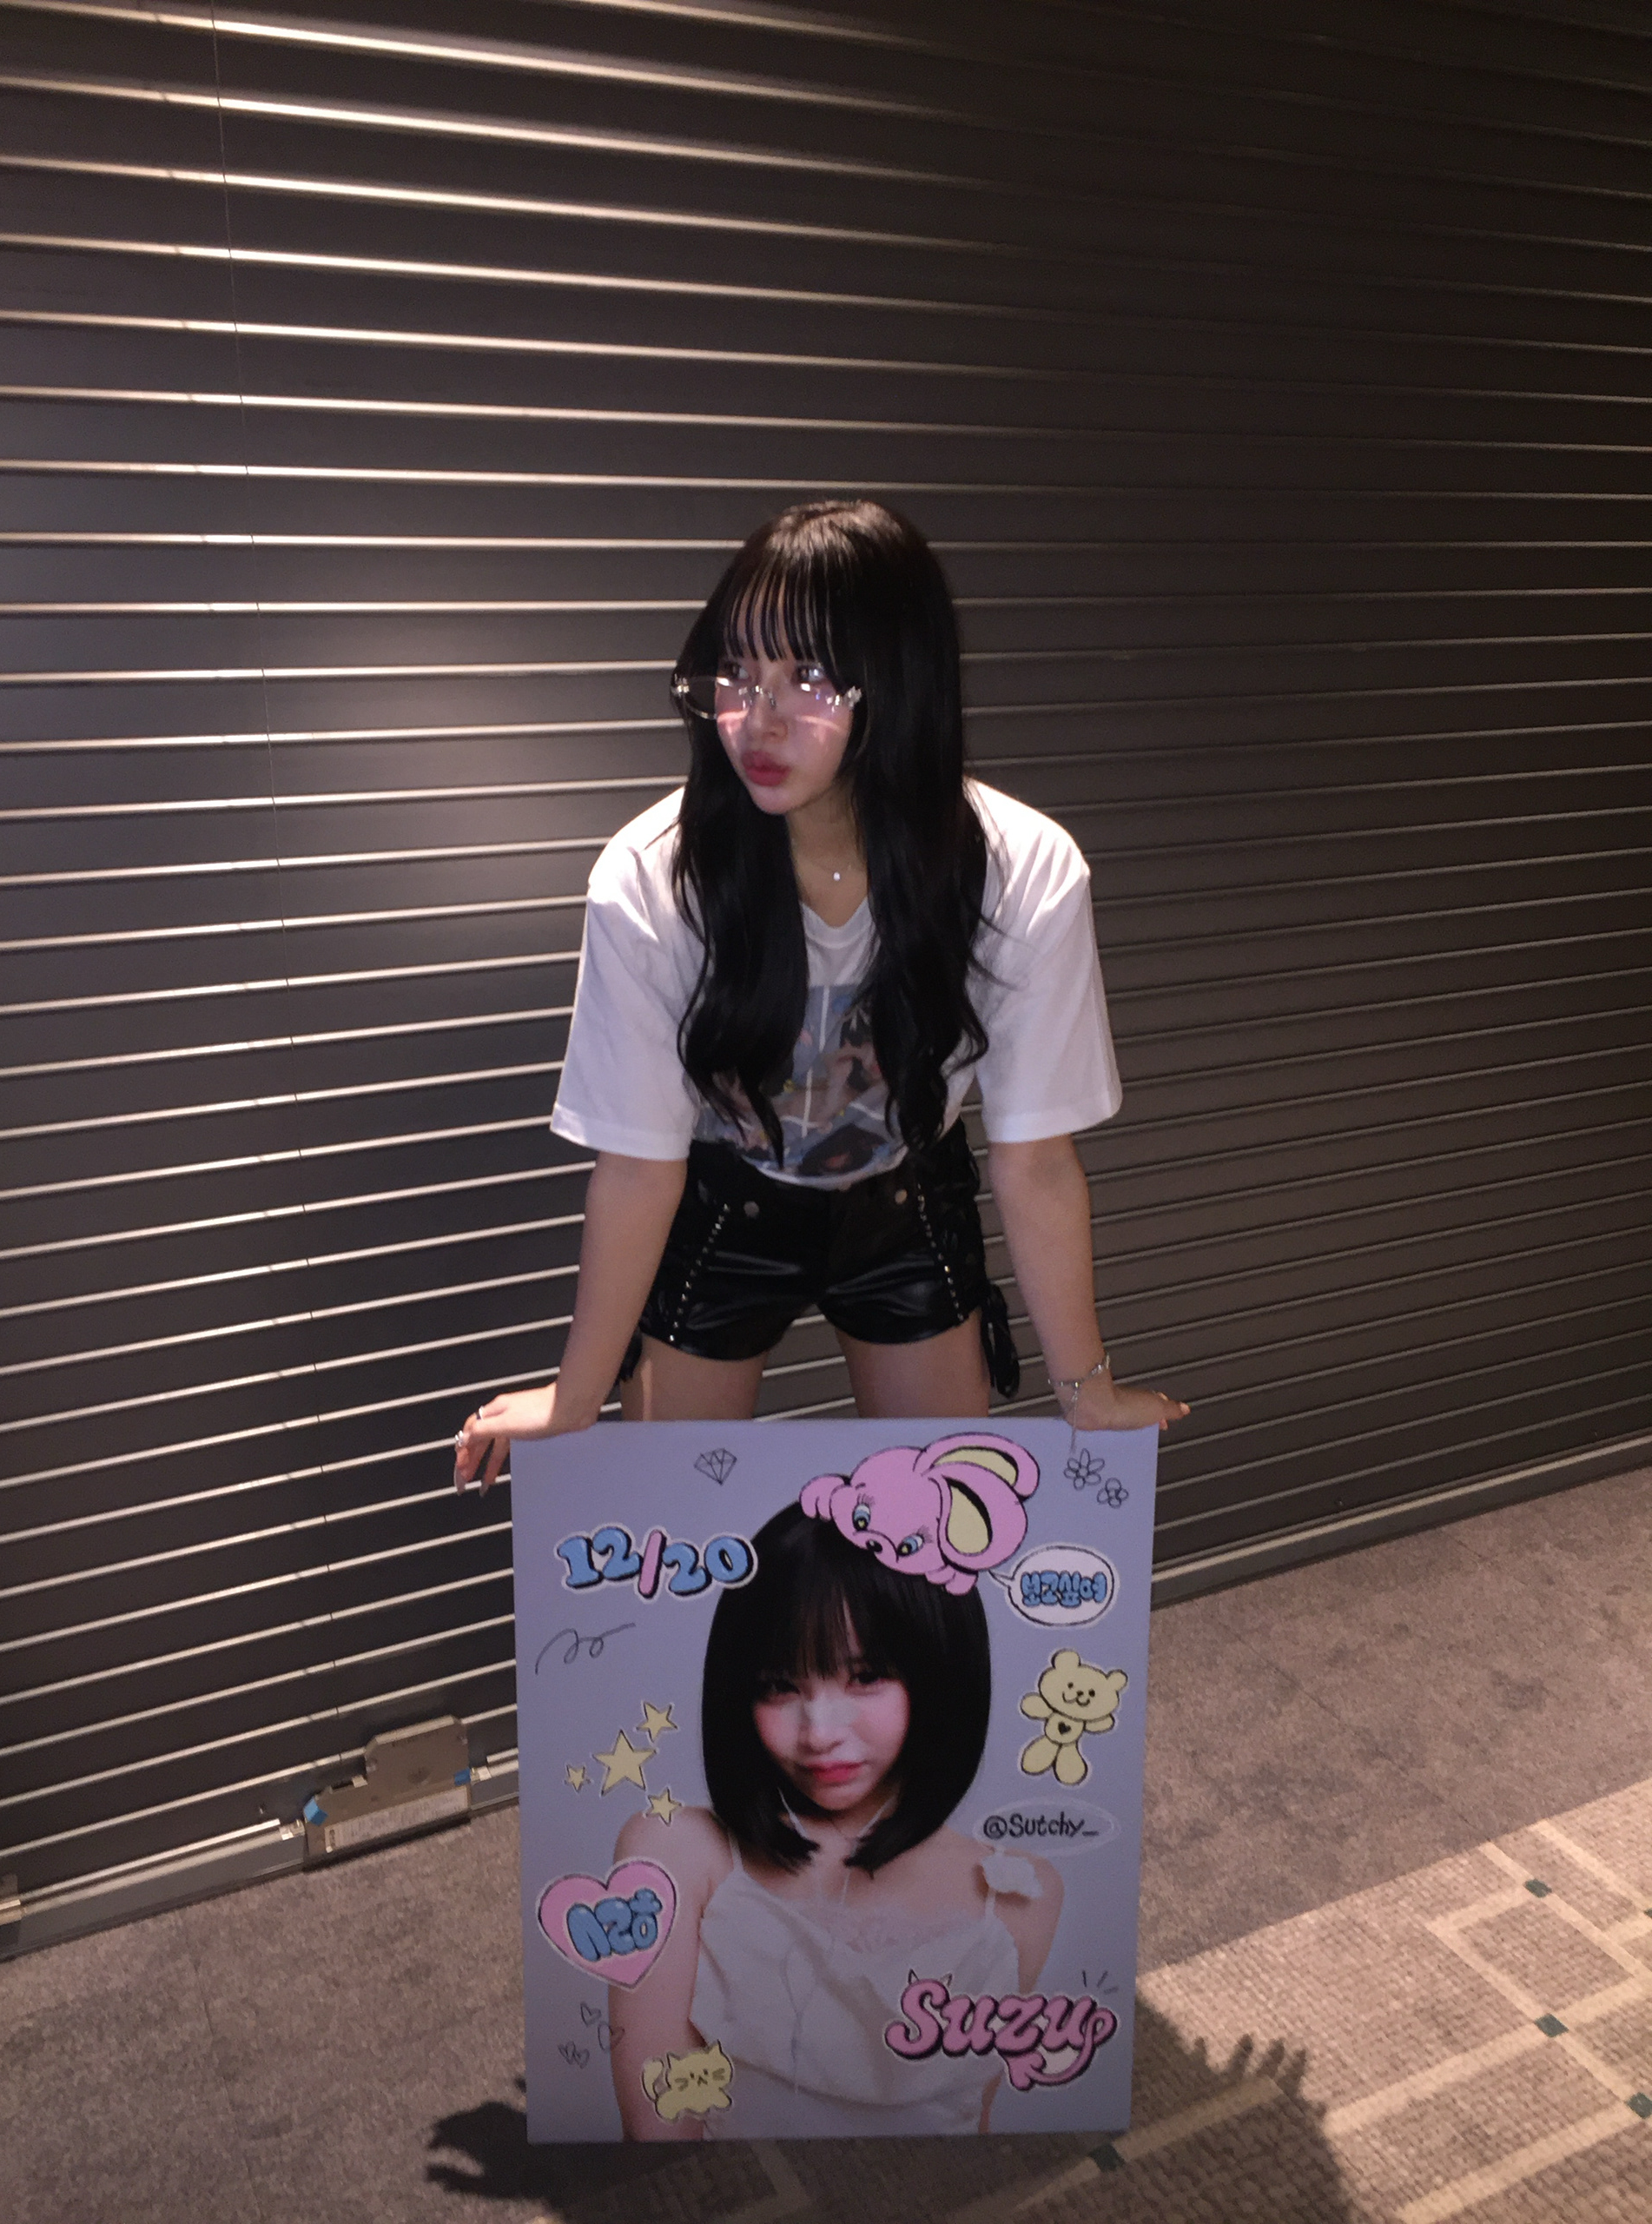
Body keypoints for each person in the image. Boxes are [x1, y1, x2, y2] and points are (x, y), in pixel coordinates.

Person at [453, 500, 1186, 1491]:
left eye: (807, 677)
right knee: (677, 1520)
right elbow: (637, 1171)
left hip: (904, 1199)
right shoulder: (653, 877)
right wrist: (575, 1398)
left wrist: (1085, 1395)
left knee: (936, 1516)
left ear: (897, 679)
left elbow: (1036, 1161)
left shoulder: (1018, 869)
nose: (756, 720)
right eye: (736, 672)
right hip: (726, 1204)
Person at [610, 1502, 1062, 2140]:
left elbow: (973, 2131)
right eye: (778, 1686)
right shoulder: (676, 1853)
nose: (819, 1733)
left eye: (865, 1676)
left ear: (939, 1671)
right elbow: (659, 2142)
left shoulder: (1018, 1894)